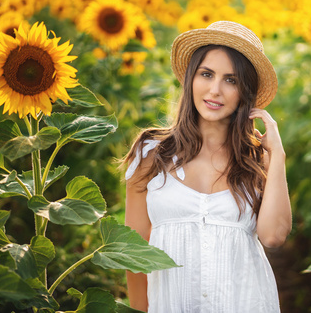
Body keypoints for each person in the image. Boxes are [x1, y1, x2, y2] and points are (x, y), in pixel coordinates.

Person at [123, 20, 292, 313]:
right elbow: (135, 252)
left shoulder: (256, 160)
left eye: (231, 80)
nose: (215, 90)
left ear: (245, 92)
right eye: (206, 74)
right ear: (191, 79)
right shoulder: (151, 155)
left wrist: (277, 156)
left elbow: (273, 236)